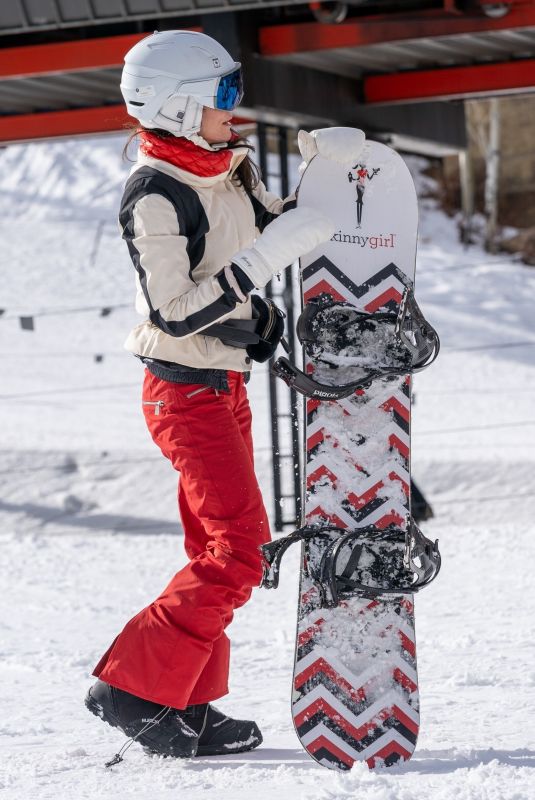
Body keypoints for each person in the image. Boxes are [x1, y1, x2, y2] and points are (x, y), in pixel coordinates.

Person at [85, 29, 365, 763]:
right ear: (178, 107)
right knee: (239, 553)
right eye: (224, 97)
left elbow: (275, 227)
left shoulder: (228, 166)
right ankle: (132, 689)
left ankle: (185, 702)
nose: (235, 111)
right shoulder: (153, 194)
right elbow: (174, 308)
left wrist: (324, 178)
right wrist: (264, 261)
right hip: (182, 392)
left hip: (221, 382)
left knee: (213, 547)